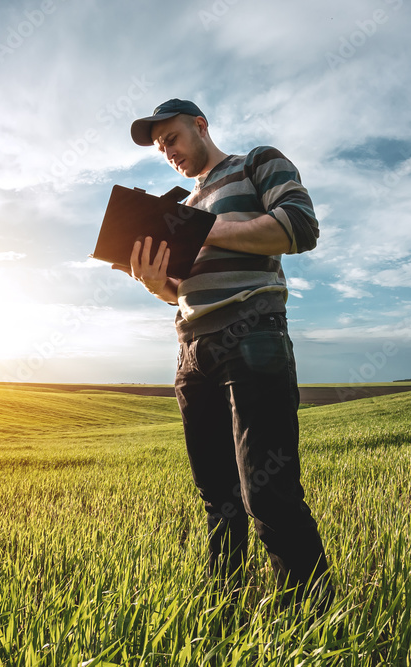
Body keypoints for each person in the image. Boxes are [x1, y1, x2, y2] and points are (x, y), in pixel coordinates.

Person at [116, 98, 333, 610]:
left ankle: (314, 622)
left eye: (172, 138)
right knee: (219, 500)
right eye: (159, 147)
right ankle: (224, 615)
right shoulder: (180, 211)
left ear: (200, 125)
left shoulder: (256, 163)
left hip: (252, 333)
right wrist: (155, 285)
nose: (167, 151)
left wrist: (205, 229)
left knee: (269, 494)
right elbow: (180, 290)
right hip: (191, 352)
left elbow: (301, 227)